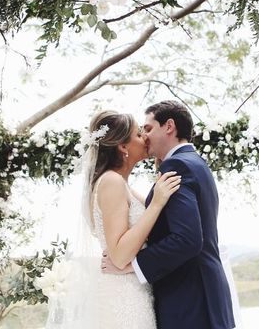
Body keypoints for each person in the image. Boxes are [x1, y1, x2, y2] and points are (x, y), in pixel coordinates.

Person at [103, 100, 236, 329]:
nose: (145, 136)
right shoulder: (194, 163)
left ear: (169, 126)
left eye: (148, 128)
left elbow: (187, 239)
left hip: (189, 303)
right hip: (204, 299)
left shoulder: (176, 166)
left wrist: (132, 266)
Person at [45, 110, 181, 329]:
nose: (145, 138)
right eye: (138, 134)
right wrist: (156, 203)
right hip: (124, 297)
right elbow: (118, 256)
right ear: (123, 147)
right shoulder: (111, 182)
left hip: (134, 290)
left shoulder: (120, 183)